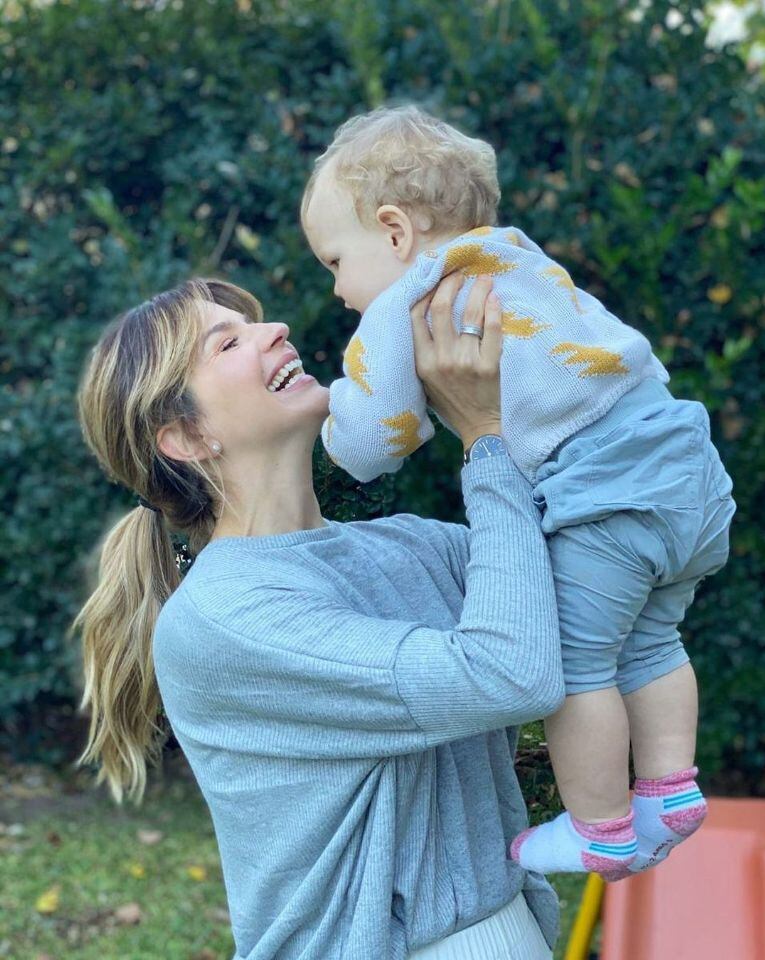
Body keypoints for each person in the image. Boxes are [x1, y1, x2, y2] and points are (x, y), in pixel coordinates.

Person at [73, 273, 566, 959]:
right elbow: (510, 675)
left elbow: (593, 579)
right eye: (228, 343)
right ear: (186, 436)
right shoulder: (223, 619)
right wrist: (484, 436)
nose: (274, 332)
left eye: (259, 322)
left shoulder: (414, 546)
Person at [301, 104, 737, 880]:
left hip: (609, 498)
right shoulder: (518, 258)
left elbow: (371, 444)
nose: (338, 290)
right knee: (652, 640)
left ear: (395, 232)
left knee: (574, 667)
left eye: (335, 262)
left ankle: (600, 828)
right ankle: (670, 789)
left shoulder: (410, 300)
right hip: (687, 473)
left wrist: (329, 425)